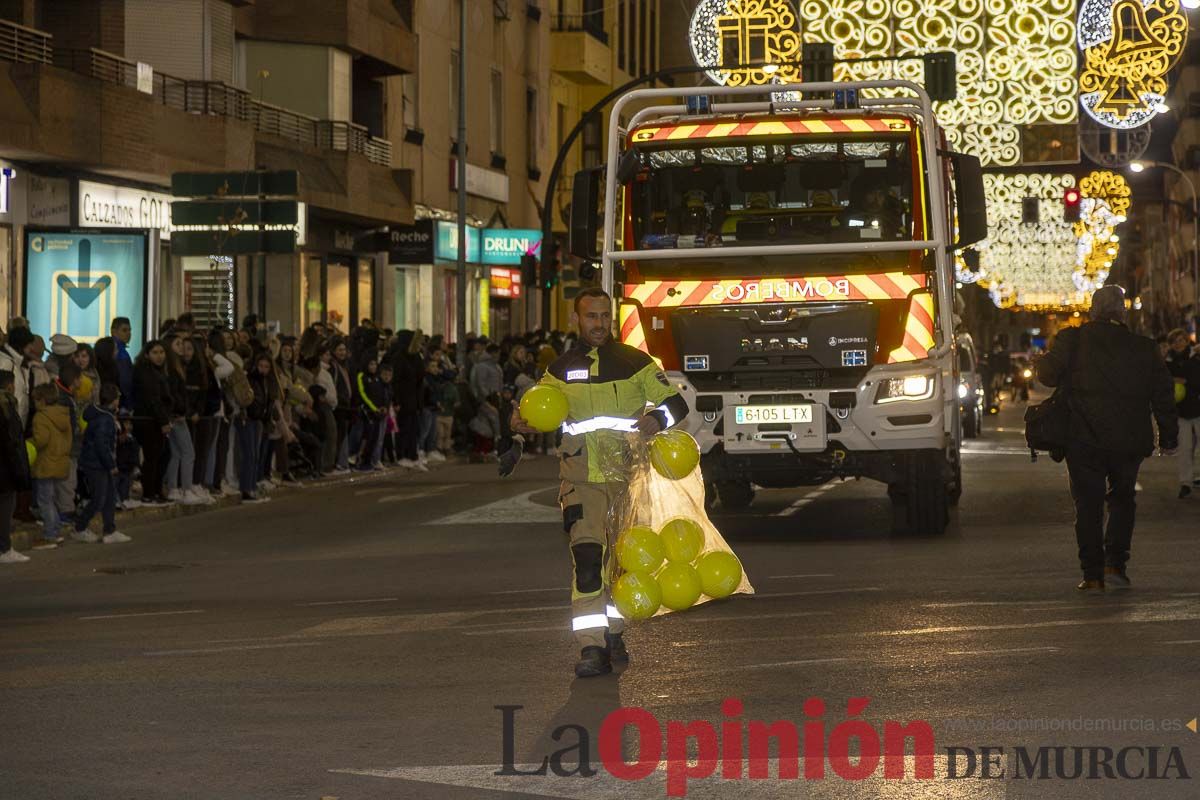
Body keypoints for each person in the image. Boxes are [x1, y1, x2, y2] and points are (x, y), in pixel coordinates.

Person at [510, 287, 691, 677]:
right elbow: (539, 411)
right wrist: (520, 427)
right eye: (591, 316)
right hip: (580, 479)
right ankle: (591, 648)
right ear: (576, 320)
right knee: (588, 559)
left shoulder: (635, 362)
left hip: (627, 480)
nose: (599, 323)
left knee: (620, 565)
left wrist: (656, 420)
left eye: (604, 316)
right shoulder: (559, 370)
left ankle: (614, 630)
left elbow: (677, 404)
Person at [1036, 285, 1178, 592]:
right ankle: (1116, 564)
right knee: (1123, 499)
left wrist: (1042, 360)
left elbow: (1047, 376)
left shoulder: (1072, 340)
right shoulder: (1144, 347)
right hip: (1129, 439)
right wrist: (1169, 437)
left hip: (1083, 437)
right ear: (1122, 313)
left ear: (1092, 311)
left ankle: (1092, 574)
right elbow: (1163, 394)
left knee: (1088, 505)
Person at [74, 384, 131, 544]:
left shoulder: (103, 415)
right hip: (96, 464)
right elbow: (101, 444)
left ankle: (110, 529)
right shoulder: (105, 418)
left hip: (98, 462)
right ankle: (80, 527)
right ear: (114, 401)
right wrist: (111, 464)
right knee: (99, 498)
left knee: (109, 497)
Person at [30, 383, 73, 547]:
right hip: (60, 462)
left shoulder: (40, 417)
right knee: (52, 499)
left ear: (41, 400)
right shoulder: (64, 414)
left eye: (35, 400)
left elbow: (41, 440)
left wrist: (29, 441)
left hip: (46, 464)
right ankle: (55, 531)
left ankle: (49, 535)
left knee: (44, 501)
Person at [132, 340, 173, 506]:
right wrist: (163, 421)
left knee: (163, 454)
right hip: (148, 420)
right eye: (155, 353)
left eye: (161, 352)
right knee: (152, 457)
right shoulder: (145, 372)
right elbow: (153, 399)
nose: (159, 356)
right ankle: (149, 493)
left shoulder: (158, 372)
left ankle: (156, 490)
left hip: (157, 419)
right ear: (147, 354)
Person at [1164, 328, 1200, 498]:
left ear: (1187, 341)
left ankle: (1197, 477)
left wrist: (1186, 381)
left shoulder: (1195, 357)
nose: (1179, 344)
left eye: (1182, 340)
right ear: (1171, 344)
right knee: (1185, 448)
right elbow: (1162, 381)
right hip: (1181, 412)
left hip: (1198, 408)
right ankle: (1186, 482)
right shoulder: (1167, 361)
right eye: (1175, 341)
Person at [0, 370, 31, 563]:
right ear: (10, 385)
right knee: (5, 509)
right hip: (5, 469)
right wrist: (20, 470)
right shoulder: (6, 406)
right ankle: (4, 548)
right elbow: (12, 443)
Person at [111, 317, 135, 412]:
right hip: (121, 404)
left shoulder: (120, 351)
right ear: (114, 332)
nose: (128, 334)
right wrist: (128, 406)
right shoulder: (120, 353)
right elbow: (125, 382)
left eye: (130, 330)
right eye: (124, 330)